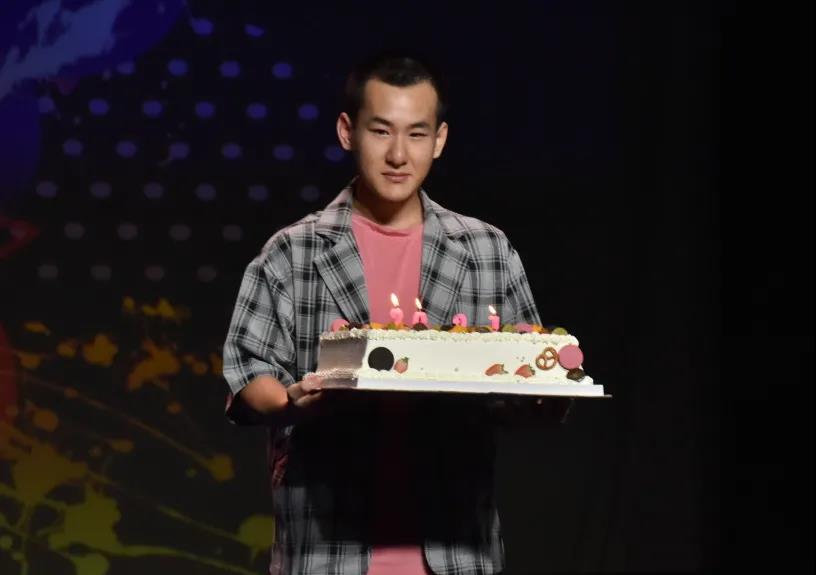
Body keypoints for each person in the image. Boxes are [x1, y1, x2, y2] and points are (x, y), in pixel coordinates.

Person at [222, 52, 573, 575]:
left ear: (440, 139)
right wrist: (289, 402)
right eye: (381, 131)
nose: (398, 155)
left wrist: (547, 394)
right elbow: (248, 369)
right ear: (347, 131)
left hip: (455, 551)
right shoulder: (294, 251)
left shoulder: (485, 251)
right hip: (326, 551)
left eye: (416, 134)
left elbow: (524, 380)